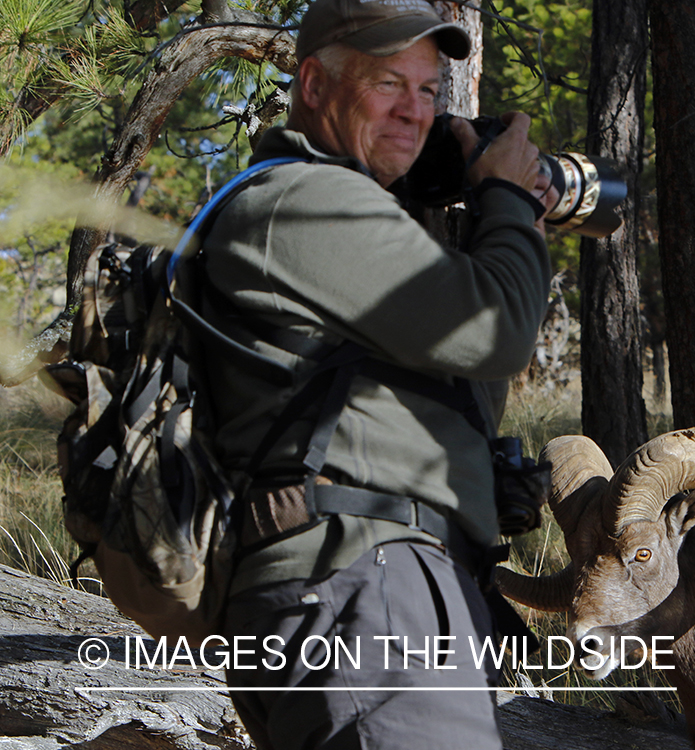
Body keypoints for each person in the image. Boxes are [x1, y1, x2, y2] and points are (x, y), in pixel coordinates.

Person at [200, 0, 555, 747]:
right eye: (388, 83)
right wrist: (508, 199)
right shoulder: (303, 199)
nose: (414, 110)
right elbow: (496, 327)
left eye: (428, 93)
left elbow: (450, 369)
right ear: (315, 84)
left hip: (368, 591)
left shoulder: (338, 208)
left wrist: (461, 194)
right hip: (365, 588)